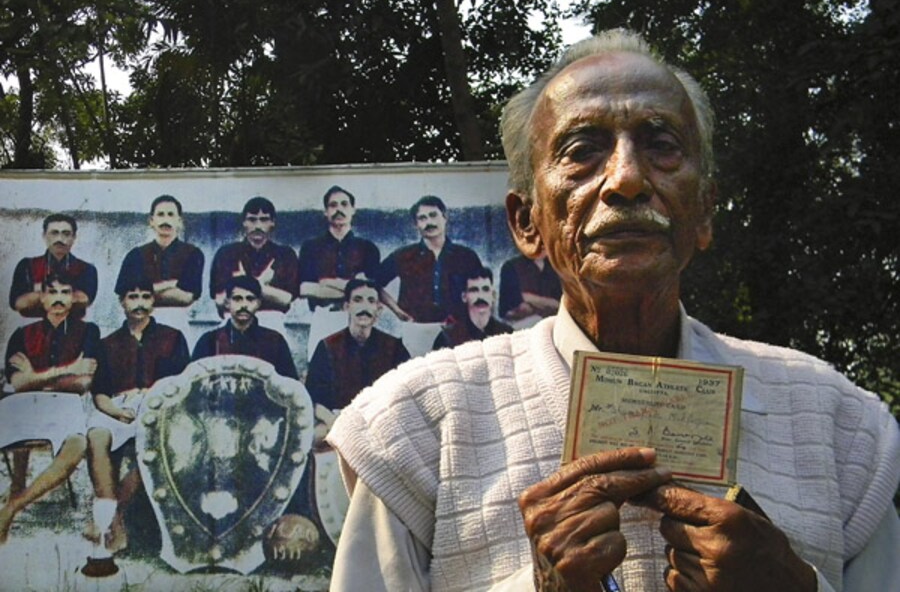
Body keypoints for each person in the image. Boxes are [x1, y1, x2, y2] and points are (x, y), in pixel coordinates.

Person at [326, 30, 900, 592]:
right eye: (582, 151)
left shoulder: (836, 426)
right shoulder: (418, 426)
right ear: (527, 222)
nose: (626, 179)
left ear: (704, 212)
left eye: (661, 145)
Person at [86, 277, 190, 552]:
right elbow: (100, 394)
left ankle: (112, 515)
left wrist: (155, 407)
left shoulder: (173, 338)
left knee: (157, 446)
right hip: (118, 406)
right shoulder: (107, 343)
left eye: (146, 296)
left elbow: (182, 385)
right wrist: (118, 413)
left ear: (154, 302)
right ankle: (114, 519)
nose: (140, 303)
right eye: (133, 297)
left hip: (160, 406)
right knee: (97, 436)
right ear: (122, 302)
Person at [0, 272, 101, 543]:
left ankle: (12, 506)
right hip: (22, 405)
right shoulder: (22, 335)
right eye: (52, 292)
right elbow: (17, 383)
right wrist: (66, 370)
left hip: (64, 405)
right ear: (42, 298)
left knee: (78, 444)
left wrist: (36, 376)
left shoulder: (88, 331)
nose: (58, 298)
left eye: (65, 292)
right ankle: (15, 489)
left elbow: (83, 382)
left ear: (73, 299)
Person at [306, 278, 410, 417]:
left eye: (371, 301)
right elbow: (314, 399)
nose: (364, 307)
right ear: (346, 307)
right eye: (358, 300)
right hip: (339, 422)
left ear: (378, 310)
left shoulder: (394, 348)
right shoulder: (327, 346)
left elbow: (407, 394)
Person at [376, 195, 482, 324]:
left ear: (445, 218)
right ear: (416, 224)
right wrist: (397, 311)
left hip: (459, 329)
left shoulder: (466, 256)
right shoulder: (403, 255)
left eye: (433, 215)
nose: (429, 222)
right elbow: (374, 282)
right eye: (422, 218)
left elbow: (481, 290)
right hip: (416, 329)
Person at [114, 195, 204, 336]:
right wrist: (170, 285)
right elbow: (124, 294)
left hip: (176, 321)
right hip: (138, 322)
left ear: (179, 221)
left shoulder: (192, 254)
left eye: (170, 215)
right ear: (151, 221)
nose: (165, 220)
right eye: (160, 214)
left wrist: (144, 293)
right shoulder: (136, 255)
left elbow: (187, 297)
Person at [209, 197, 298, 332]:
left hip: (271, 322)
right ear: (244, 222)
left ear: (272, 223)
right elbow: (219, 300)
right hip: (233, 322)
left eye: (264, 220)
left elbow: (286, 299)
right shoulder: (226, 254)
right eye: (252, 219)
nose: (257, 226)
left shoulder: (284, 255)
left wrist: (243, 284)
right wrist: (262, 286)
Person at [193, 275, 298, 380]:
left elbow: (289, 385)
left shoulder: (275, 341)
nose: (244, 305)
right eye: (237, 299)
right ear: (227, 303)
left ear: (258, 303)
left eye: (250, 299)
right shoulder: (209, 341)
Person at [298, 186, 381, 312]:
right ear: (325, 211)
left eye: (344, 204)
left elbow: (371, 291)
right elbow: (305, 288)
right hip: (322, 316)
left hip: (358, 317)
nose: (339, 210)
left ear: (353, 210)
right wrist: (353, 287)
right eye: (333, 205)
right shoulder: (310, 247)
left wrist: (326, 282)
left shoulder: (368, 248)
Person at [9, 213, 98, 318]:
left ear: (74, 237)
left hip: (73, 329)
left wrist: (38, 291)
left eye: (66, 233)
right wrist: (68, 294)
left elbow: (84, 300)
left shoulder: (87, 269)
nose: (60, 239)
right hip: (33, 329)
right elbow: (17, 303)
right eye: (54, 233)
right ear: (44, 236)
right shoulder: (26, 265)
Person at [432, 267, 512, 350]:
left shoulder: (507, 334)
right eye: (474, 290)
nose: (481, 296)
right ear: (464, 297)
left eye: (485, 289)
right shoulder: (447, 338)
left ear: (493, 296)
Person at [498, 251, 561, 329]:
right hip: (521, 327)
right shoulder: (510, 267)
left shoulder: (558, 268)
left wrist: (530, 298)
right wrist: (548, 304)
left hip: (554, 326)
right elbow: (508, 311)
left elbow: (561, 305)